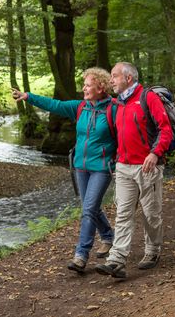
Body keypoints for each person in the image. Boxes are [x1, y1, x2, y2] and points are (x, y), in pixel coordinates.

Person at [11, 67, 117, 273]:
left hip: (102, 167)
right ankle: (108, 236)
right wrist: (28, 97)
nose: (84, 89)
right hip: (80, 166)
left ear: (101, 87)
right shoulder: (80, 107)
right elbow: (55, 104)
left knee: (88, 210)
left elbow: (127, 132)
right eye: (84, 85)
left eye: (88, 85)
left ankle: (81, 255)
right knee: (90, 206)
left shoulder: (113, 109)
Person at [95, 62, 173, 279]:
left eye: (114, 76)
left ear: (128, 78)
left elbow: (165, 129)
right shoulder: (117, 104)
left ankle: (153, 250)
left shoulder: (148, 98)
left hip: (148, 167)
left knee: (151, 214)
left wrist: (155, 153)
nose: (111, 80)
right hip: (123, 168)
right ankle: (117, 260)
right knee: (123, 214)